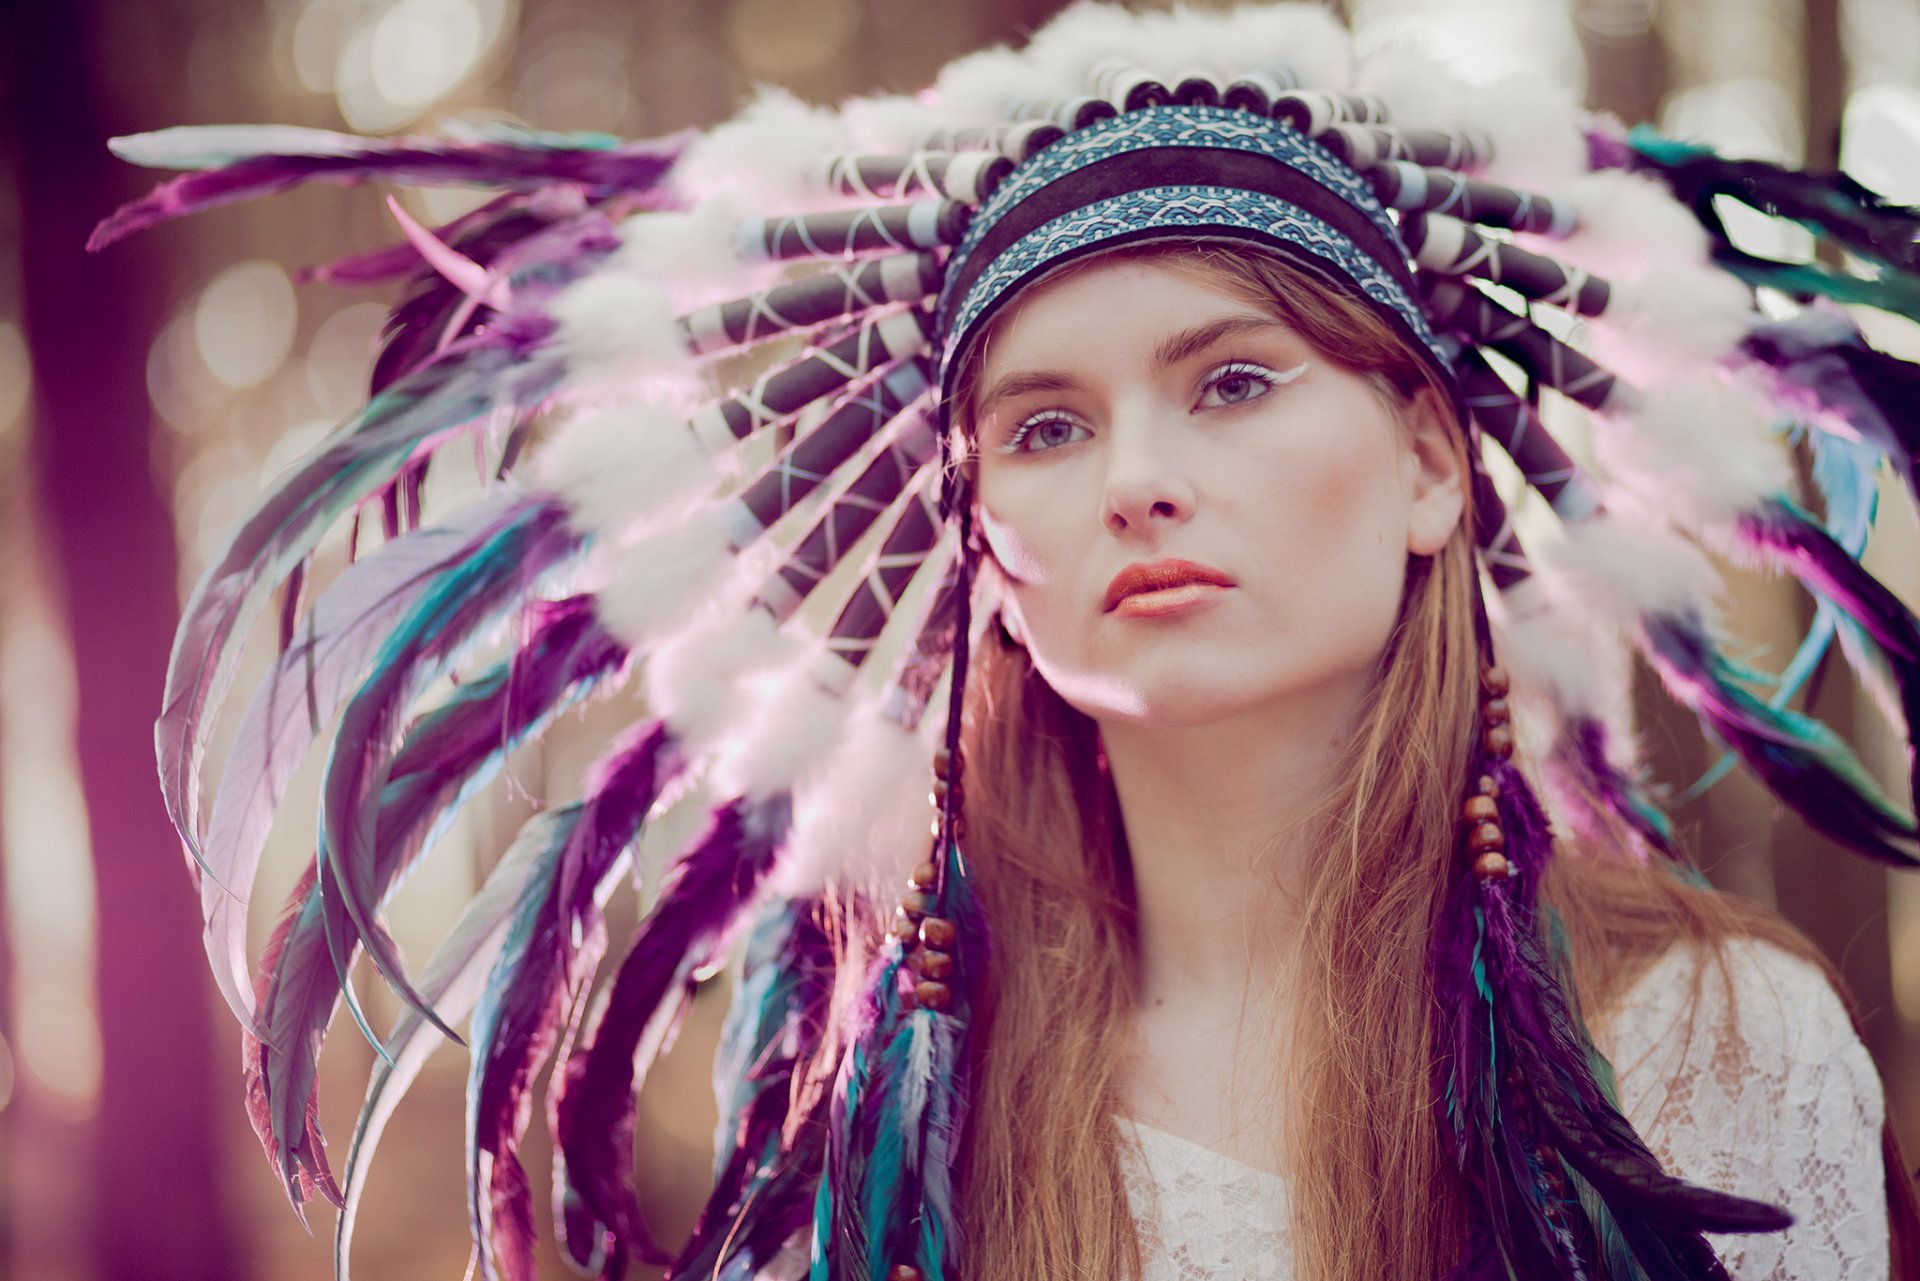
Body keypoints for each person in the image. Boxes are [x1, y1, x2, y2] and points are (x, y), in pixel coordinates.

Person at [94, 4, 1920, 1278]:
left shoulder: (1715, 1049)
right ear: (982, 538)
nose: (1136, 479)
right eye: (1045, 426)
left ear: (1435, 462)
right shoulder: (884, 1123)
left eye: (1231, 381)